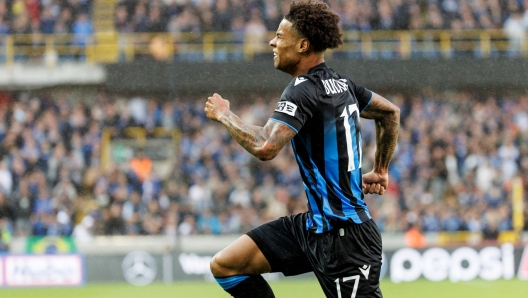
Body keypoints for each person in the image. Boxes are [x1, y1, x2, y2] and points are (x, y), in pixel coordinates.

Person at [204, 1, 400, 297]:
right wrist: (381, 170)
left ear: (303, 45)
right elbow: (390, 113)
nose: (272, 41)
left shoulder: (302, 90)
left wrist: (224, 115)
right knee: (227, 265)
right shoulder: (342, 85)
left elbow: (266, 146)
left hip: (345, 238)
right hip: (313, 227)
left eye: (280, 37)